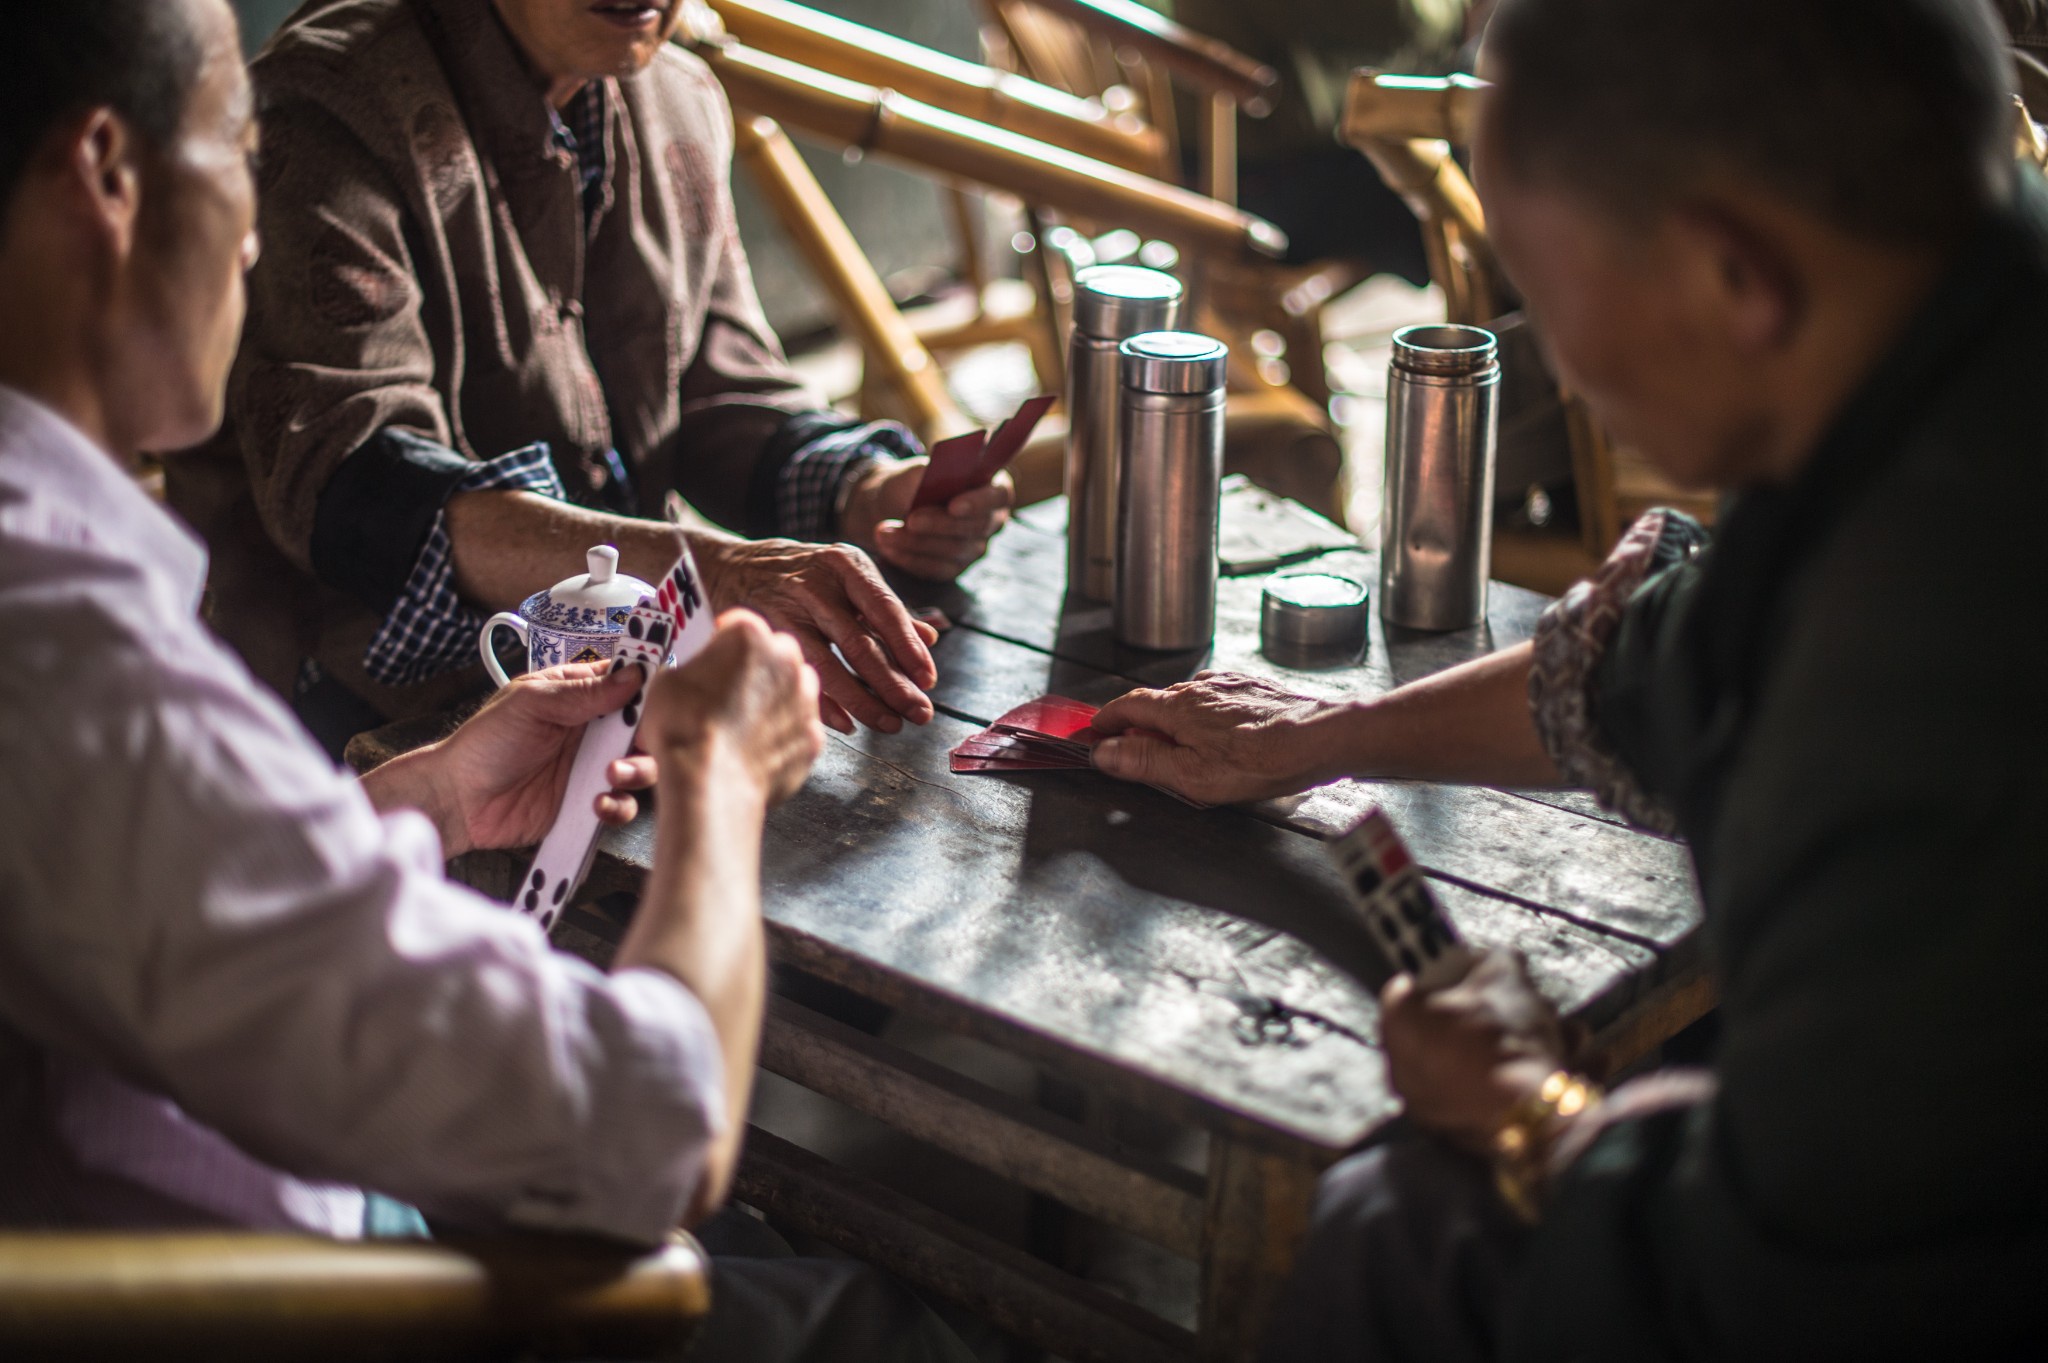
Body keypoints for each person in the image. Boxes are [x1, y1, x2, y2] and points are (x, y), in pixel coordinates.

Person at [0, 4, 967, 1357]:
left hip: (261, 1132)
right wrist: (719, 780)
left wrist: (427, 796)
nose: (254, 226)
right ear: (106, 176)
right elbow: (652, 1122)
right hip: (290, 1283)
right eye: (233, 146)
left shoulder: (668, 105)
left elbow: (178, 897)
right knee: (859, 1316)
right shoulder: (75, 656)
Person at [1089, 0, 2048, 1357]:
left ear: (1734, 274)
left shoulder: (1914, 690)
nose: (1570, 373)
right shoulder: (1954, 362)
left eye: (1546, 295)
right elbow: (1659, 657)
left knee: (1397, 1218)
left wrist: (1536, 1113)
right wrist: (1318, 735)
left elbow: (1803, 1284)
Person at [168, 0, 1012, 752]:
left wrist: (864, 492)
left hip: (616, 691)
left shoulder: (678, 96)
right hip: (351, 727)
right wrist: (708, 572)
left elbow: (719, 387)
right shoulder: (330, 107)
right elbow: (360, 493)